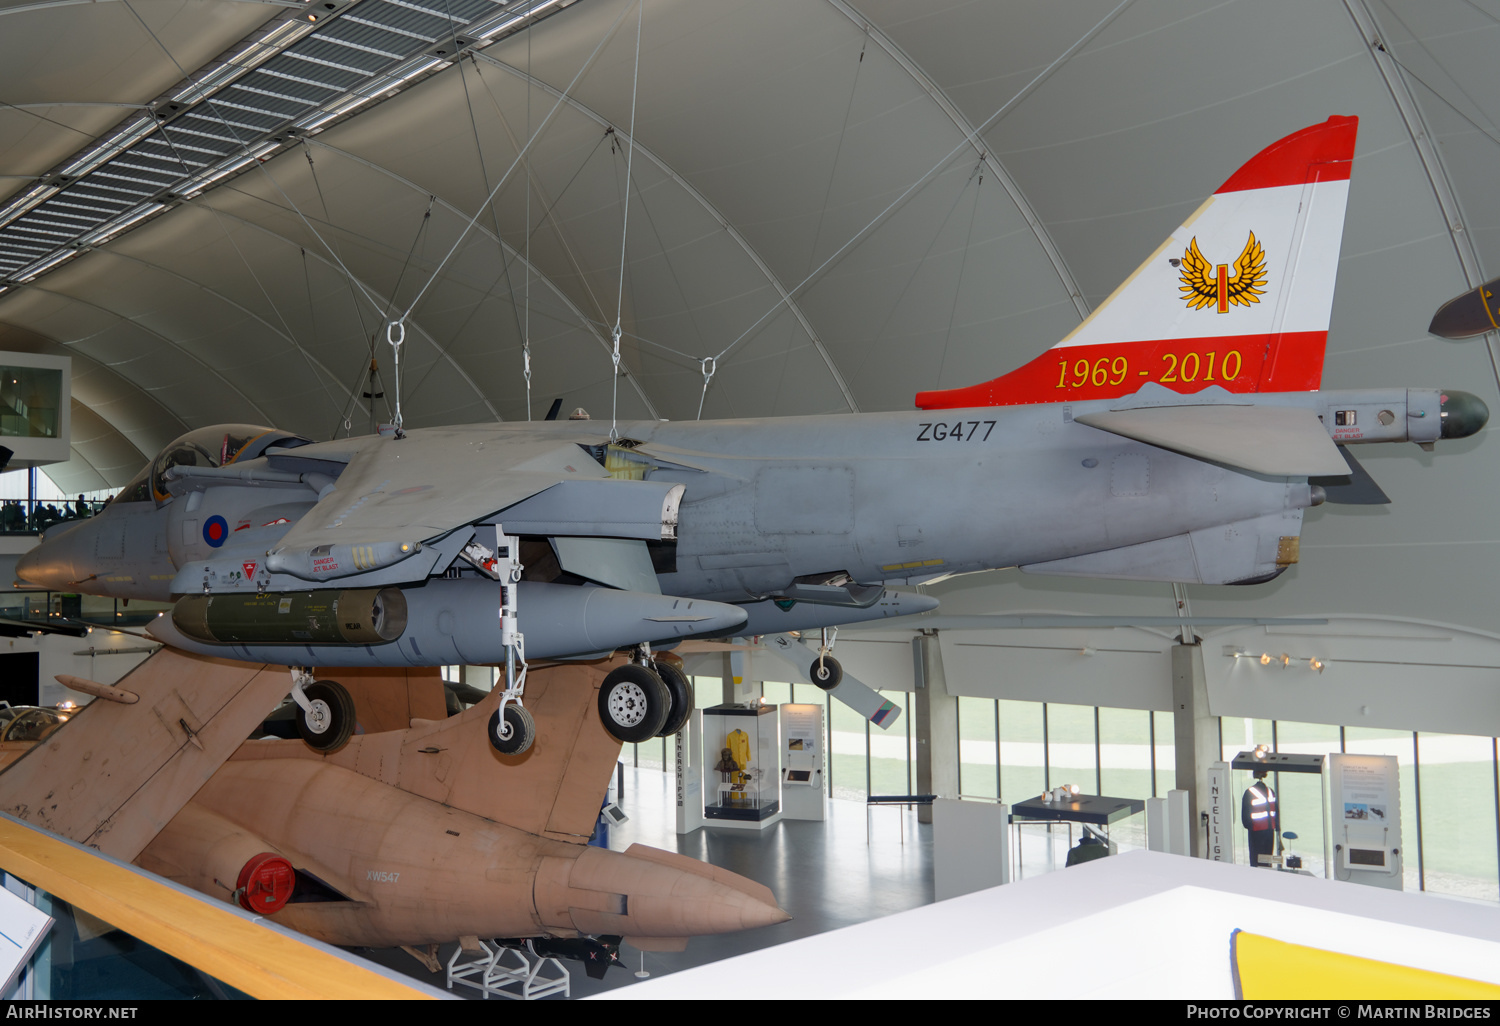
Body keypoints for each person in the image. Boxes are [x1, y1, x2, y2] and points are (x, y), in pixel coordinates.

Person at [1242, 769, 1278, 868]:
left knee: (1256, 858)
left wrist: (1248, 826)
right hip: (1270, 830)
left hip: (1256, 830)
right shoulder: (1271, 791)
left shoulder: (1250, 792)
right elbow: (1276, 811)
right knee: (1267, 857)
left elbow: (1245, 814)